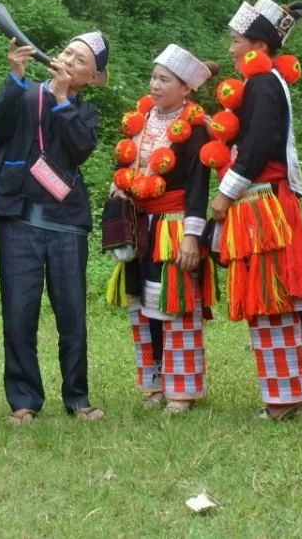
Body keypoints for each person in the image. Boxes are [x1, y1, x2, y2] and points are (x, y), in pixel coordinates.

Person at [209, 0, 302, 420]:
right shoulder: (268, 81)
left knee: (268, 297)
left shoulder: (260, 83)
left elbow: (257, 144)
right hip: (271, 199)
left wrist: (225, 192)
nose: (231, 48)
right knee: (279, 297)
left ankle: (283, 396)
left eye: (236, 40)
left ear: (258, 45)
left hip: (261, 203)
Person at [0, 32, 108, 426]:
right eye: (67, 52)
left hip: (67, 223)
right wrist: (16, 75)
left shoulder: (85, 112)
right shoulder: (25, 93)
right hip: (19, 218)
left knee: (71, 314)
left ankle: (78, 398)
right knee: (19, 313)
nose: (69, 59)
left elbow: (80, 149)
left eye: (80, 60)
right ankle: (24, 401)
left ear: (91, 78)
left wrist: (61, 100)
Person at [106, 45, 213, 415]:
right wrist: (118, 186)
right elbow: (123, 164)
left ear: (186, 89)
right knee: (144, 306)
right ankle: (156, 384)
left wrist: (191, 236)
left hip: (174, 225)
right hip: (141, 225)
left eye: (164, 79)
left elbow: (200, 185)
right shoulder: (143, 119)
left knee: (174, 304)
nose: (154, 85)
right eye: (153, 77)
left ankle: (182, 389)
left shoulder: (195, 129)